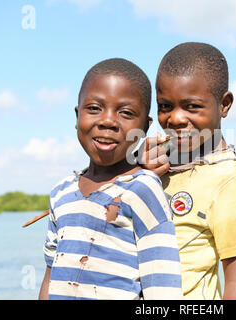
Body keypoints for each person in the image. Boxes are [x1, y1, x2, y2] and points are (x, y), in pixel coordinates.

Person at [38, 58, 182, 300]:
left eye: (126, 113)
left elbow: (163, 288)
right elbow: (50, 276)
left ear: (144, 127)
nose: (108, 121)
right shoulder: (60, 193)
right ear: (77, 116)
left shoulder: (143, 189)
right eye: (94, 108)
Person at [140, 42, 236, 299]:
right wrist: (138, 173)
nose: (176, 118)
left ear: (224, 104)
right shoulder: (156, 164)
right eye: (165, 106)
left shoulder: (227, 178)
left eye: (192, 106)